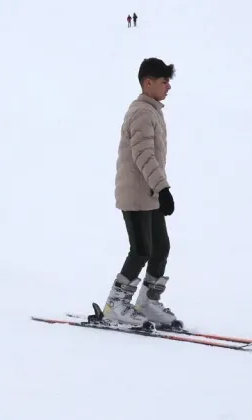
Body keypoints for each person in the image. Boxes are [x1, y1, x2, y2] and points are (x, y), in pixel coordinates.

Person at [103, 57, 178, 327]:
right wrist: (164, 188)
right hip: (135, 195)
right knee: (141, 250)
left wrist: (160, 190)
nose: (168, 86)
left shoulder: (152, 110)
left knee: (161, 248)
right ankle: (116, 304)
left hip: (150, 194)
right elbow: (143, 154)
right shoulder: (142, 113)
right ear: (148, 82)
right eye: (163, 81)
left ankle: (147, 302)